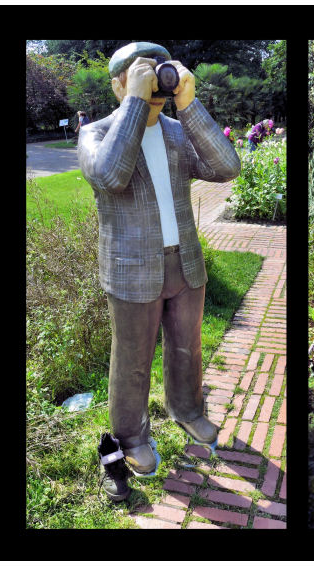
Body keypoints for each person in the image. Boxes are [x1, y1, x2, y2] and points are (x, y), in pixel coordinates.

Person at [78, 42, 241, 501]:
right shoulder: (96, 133)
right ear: (118, 85)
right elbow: (110, 174)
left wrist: (189, 104)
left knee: (187, 346)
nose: (152, 84)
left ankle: (187, 409)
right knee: (131, 360)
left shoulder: (176, 132)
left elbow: (227, 165)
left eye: (156, 73)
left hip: (184, 261)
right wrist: (135, 102)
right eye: (138, 75)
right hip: (131, 269)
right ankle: (131, 437)